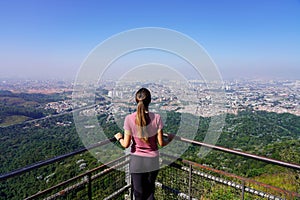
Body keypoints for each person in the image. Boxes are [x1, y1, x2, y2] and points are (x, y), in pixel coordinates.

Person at [114, 88, 173, 200]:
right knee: (150, 192)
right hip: (153, 160)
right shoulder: (157, 118)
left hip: (137, 160)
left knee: (138, 194)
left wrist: (119, 138)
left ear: (136, 101)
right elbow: (161, 143)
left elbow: (126, 144)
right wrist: (170, 139)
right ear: (150, 101)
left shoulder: (129, 119)